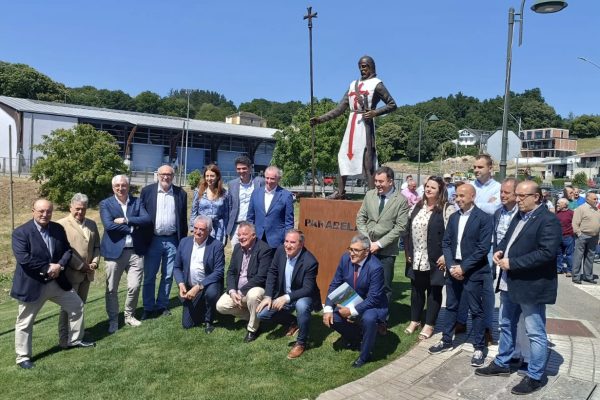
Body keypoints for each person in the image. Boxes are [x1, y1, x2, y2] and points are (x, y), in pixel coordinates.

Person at [475, 180, 562, 395]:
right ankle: (503, 362)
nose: (519, 199)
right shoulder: (520, 216)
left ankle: (534, 375)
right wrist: (500, 250)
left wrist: (513, 263)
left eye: (523, 196)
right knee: (505, 323)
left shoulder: (548, 220)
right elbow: (508, 239)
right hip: (510, 281)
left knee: (535, 331)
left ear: (537, 197)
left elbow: (547, 253)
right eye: (518, 195)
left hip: (531, 285)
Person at [12, 199, 95, 369]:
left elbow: (67, 250)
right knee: (25, 322)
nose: (45, 214)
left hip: (56, 282)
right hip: (33, 284)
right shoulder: (21, 232)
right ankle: (23, 357)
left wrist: (60, 265)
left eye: (48, 211)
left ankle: (74, 340)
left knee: (77, 305)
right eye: (41, 211)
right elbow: (24, 259)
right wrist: (48, 267)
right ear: (33, 211)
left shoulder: (57, 229)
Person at [310, 55, 397, 198]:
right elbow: (339, 109)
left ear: (371, 66)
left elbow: (392, 104)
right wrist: (320, 119)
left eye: (365, 66)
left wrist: (375, 112)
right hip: (352, 126)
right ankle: (340, 191)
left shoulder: (377, 84)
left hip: (365, 126)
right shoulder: (352, 85)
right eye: (360, 67)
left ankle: (371, 196)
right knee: (342, 156)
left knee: (367, 161)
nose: (362, 69)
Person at [428, 183, 493, 369]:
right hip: (453, 268)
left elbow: (483, 248)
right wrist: (450, 265)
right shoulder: (455, 217)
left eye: (462, 196)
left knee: (476, 310)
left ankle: (479, 347)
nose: (458, 199)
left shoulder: (484, 219)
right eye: (456, 196)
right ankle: (447, 339)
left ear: (472, 196)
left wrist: (463, 268)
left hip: (473, 271)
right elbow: (446, 242)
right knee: (451, 306)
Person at [356, 166, 410, 332]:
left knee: (384, 287)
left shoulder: (400, 200)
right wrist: (366, 241)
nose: (377, 184)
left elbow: (401, 227)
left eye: (381, 181)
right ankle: (362, 315)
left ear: (391, 181)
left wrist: (378, 244)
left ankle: (381, 320)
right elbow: (360, 218)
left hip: (386, 251)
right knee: (363, 283)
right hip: (366, 249)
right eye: (376, 181)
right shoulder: (369, 195)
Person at [323, 234, 388, 368]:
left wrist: (352, 311)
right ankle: (356, 338)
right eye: (350, 249)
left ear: (366, 252)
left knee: (369, 319)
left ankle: (365, 355)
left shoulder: (376, 267)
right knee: (334, 318)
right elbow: (335, 284)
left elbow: (374, 298)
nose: (351, 253)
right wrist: (328, 309)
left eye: (356, 250)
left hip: (372, 303)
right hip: (352, 296)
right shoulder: (345, 258)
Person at [455, 154, 500, 344]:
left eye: (480, 167)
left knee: (486, 290)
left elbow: (494, 208)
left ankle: (487, 327)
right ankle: (461, 321)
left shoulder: (497, 188)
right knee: (464, 285)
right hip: (465, 244)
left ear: (490, 168)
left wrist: (472, 203)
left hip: (487, 246)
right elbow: (457, 205)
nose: (476, 170)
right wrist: (482, 204)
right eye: (474, 167)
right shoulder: (467, 186)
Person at [100, 174, 152, 334]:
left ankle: (129, 315)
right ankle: (114, 320)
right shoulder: (105, 204)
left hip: (135, 251)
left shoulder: (137, 201)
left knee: (134, 286)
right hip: (114, 252)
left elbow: (147, 219)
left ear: (128, 186)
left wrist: (126, 220)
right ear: (113, 187)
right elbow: (109, 225)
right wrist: (132, 227)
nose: (121, 188)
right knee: (111, 289)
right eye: (117, 186)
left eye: (124, 185)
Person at [257, 229, 321, 360]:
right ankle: (293, 322)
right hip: (283, 294)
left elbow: (308, 289)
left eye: (293, 242)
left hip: (302, 296)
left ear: (301, 244)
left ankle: (301, 342)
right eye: (286, 241)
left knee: (302, 306)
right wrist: (268, 296)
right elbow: (272, 272)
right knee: (262, 314)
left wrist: (287, 298)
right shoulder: (280, 251)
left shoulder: (310, 261)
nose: (288, 245)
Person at [404, 176, 454, 340]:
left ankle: (430, 324)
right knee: (416, 290)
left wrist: (446, 256)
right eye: (427, 186)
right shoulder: (417, 206)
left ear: (440, 190)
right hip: (416, 257)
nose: (428, 189)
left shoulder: (446, 209)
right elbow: (408, 232)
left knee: (434, 291)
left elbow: (452, 236)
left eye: (433, 187)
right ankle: (415, 320)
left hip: (436, 259)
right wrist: (408, 253)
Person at [139, 164, 188, 320]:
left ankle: (162, 305)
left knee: (168, 275)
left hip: (173, 240)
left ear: (173, 176)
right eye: (163, 174)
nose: (166, 177)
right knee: (149, 276)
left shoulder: (181, 193)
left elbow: (183, 219)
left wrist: (183, 241)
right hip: (153, 239)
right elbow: (141, 216)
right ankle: (148, 307)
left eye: (169, 174)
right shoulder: (147, 192)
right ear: (158, 175)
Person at [492, 178, 530, 374]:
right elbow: (499, 239)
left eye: (507, 192)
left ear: (517, 195)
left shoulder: (524, 215)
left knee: (524, 317)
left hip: (520, 270)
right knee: (506, 316)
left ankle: (527, 355)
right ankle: (512, 353)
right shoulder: (499, 213)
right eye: (501, 192)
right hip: (503, 268)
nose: (502, 195)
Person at [56, 193, 101, 348]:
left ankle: (76, 334)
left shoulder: (92, 224)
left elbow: (96, 246)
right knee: (68, 307)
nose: (80, 212)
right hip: (71, 274)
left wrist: (94, 262)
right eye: (77, 209)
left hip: (87, 274)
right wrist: (81, 266)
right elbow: (63, 250)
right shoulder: (61, 225)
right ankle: (64, 338)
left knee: (81, 305)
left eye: (83, 209)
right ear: (70, 207)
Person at [216, 222, 273, 342]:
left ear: (253, 235)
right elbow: (231, 272)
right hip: (237, 291)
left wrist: (241, 292)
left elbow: (261, 277)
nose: (241, 237)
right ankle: (255, 317)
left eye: (244, 234)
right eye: (239, 235)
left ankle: (253, 329)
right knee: (221, 306)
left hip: (256, 288)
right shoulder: (237, 248)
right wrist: (232, 291)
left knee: (253, 295)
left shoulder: (264, 249)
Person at [173, 215, 225, 333]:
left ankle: (209, 320)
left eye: (202, 229)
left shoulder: (216, 246)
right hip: (190, 287)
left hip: (208, 284)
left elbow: (219, 271)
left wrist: (198, 286)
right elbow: (176, 267)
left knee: (211, 293)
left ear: (209, 231)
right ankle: (204, 307)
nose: (197, 232)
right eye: (196, 228)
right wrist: (181, 284)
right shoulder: (184, 242)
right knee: (187, 325)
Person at [247, 165, 294, 249]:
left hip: (276, 241)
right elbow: (250, 217)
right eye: (267, 178)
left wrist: (287, 240)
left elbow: (289, 222)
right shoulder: (256, 193)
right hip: (258, 238)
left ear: (278, 179)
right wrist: (250, 234)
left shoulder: (286, 195)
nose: (269, 181)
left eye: (272, 178)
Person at [226, 155, 265, 246]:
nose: (241, 171)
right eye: (238, 169)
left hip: (254, 226)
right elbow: (230, 206)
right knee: (237, 254)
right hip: (236, 226)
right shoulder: (232, 184)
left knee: (254, 254)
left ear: (250, 168)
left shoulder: (260, 182)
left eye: (244, 168)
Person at [190, 164, 229, 244]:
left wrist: (226, 230)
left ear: (217, 177)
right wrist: (192, 227)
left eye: (212, 176)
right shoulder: (198, 192)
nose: (209, 178)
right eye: (207, 176)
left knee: (216, 251)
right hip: (202, 228)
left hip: (219, 229)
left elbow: (226, 214)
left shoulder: (224, 193)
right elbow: (194, 211)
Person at [571, 191, 600, 284]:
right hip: (582, 236)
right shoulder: (581, 208)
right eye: (594, 199)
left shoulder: (597, 210)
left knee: (590, 257)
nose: (596, 200)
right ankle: (576, 276)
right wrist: (579, 234)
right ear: (588, 199)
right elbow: (575, 223)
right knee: (578, 257)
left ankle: (588, 276)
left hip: (594, 237)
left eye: (597, 199)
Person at [555, 198, 575, 277]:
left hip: (568, 236)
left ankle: (569, 270)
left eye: (559, 203)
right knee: (558, 254)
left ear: (565, 204)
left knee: (569, 255)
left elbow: (575, 223)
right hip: (558, 237)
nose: (557, 204)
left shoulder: (571, 213)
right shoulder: (557, 213)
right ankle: (559, 268)